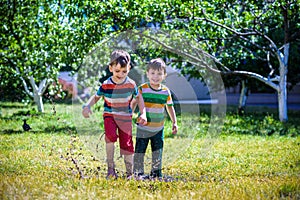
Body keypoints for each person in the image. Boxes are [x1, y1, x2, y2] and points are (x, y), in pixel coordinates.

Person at [82, 49, 147, 179]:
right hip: (110, 115)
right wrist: (87, 106)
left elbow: (139, 98)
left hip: (125, 118)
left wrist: (143, 113)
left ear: (129, 68)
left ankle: (130, 173)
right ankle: (110, 170)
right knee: (110, 137)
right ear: (110, 68)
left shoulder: (131, 84)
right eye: (117, 71)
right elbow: (96, 97)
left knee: (127, 143)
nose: (121, 74)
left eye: (124, 71)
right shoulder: (106, 84)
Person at [132, 58, 178, 180]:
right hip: (143, 128)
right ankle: (137, 173)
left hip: (158, 129)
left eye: (159, 74)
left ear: (164, 75)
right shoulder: (142, 88)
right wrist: (129, 114)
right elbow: (134, 103)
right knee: (140, 150)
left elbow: (170, 107)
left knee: (157, 151)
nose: (155, 77)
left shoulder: (165, 91)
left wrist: (174, 122)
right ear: (147, 74)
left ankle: (156, 174)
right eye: (152, 73)